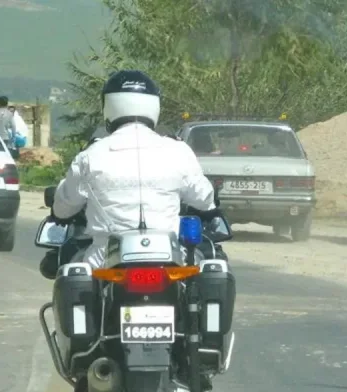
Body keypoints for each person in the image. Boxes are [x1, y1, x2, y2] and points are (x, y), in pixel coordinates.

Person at [50, 69, 220, 269]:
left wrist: (58, 211)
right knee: (201, 267)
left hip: (104, 260)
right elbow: (204, 199)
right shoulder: (179, 151)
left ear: (108, 105)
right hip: (168, 256)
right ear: (154, 105)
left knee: (72, 271)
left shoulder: (90, 156)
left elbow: (64, 207)